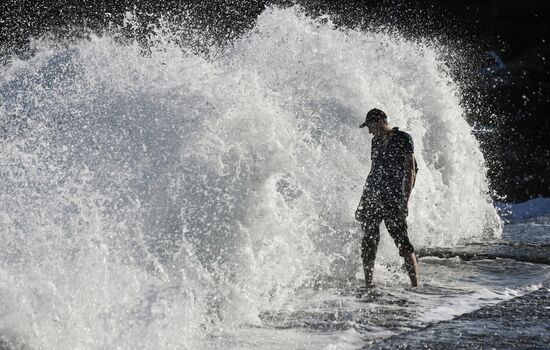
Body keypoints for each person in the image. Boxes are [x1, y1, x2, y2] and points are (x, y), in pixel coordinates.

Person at [355, 108, 419, 287]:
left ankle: (416, 286)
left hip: (394, 199)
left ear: (380, 121)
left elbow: (411, 170)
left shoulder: (403, 139)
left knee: (403, 243)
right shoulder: (375, 142)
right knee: (369, 241)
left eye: (370, 126)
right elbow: (373, 172)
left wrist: (404, 201)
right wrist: (362, 202)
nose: (369, 131)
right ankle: (368, 284)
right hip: (374, 198)